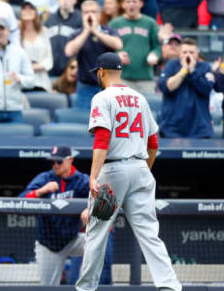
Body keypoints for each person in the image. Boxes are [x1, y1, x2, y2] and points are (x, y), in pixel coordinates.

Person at [75, 52, 182, 291]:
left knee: (97, 233)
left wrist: (93, 176)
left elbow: (102, 138)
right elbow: (153, 142)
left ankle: (85, 288)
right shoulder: (140, 97)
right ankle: (170, 286)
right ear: (120, 71)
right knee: (149, 233)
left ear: (101, 72)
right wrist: (144, 170)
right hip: (139, 169)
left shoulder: (102, 97)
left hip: (112, 173)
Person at [19, 145, 90, 285]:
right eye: (52, 162)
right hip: (48, 243)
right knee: (49, 287)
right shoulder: (45, 178)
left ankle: (86, 284)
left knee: (97, 242)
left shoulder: (81, 180)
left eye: (59, 162)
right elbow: (20, 200)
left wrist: (91, 210)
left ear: (70, 160)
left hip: (72, 239)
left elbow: (101, 198)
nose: (55, 165)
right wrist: (40, 191)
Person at [65, 0, 122, 110]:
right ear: (82, 15)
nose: (90, 15)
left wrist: (95, 31)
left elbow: (118, 45)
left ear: (99, 14)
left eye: (93, 12)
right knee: (85, 122)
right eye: (87, 12)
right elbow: (69, 51)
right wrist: (87, 31)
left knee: (108, 121)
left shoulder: (109, 31)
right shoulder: (77, 34)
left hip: (108, 86)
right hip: (85, 86)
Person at [158, 38, 214, 138]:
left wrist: (192, 71)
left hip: (200, 130)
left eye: (191, 52)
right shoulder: (171, 65)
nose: (188, 55)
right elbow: (167, 87)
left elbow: (206, 89)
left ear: (197, 54)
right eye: (184, 52)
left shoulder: (205, 67)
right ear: (179, 54)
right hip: (172, 129)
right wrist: (184, 70)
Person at [109, 0, 161, 94]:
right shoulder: (114, 24)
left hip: (145, 78)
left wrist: (154, 55)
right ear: (122, 4)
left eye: (134, 1)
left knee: (145, 109)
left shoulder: (150, 23)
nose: (131, 4)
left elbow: (157, 46)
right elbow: (107, 49)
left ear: (141, 4)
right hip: (121, 78)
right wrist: (116, 56)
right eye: (128, 2)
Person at [45, 0, 82, 77]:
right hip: (51, 69)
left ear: (75, 0)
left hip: (72, 71)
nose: (65, 0)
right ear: (57, 0)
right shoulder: (50, 19)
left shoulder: (81, 19)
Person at [20, 1, 53, 92]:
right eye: (24, 9)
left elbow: (49, 57)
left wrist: (38, 66)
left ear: (35, 12)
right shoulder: (16, 33)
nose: (27, 11)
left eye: (31, 9)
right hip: (22, 79)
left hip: (42, 78)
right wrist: (28, 67)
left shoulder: (44, 31)